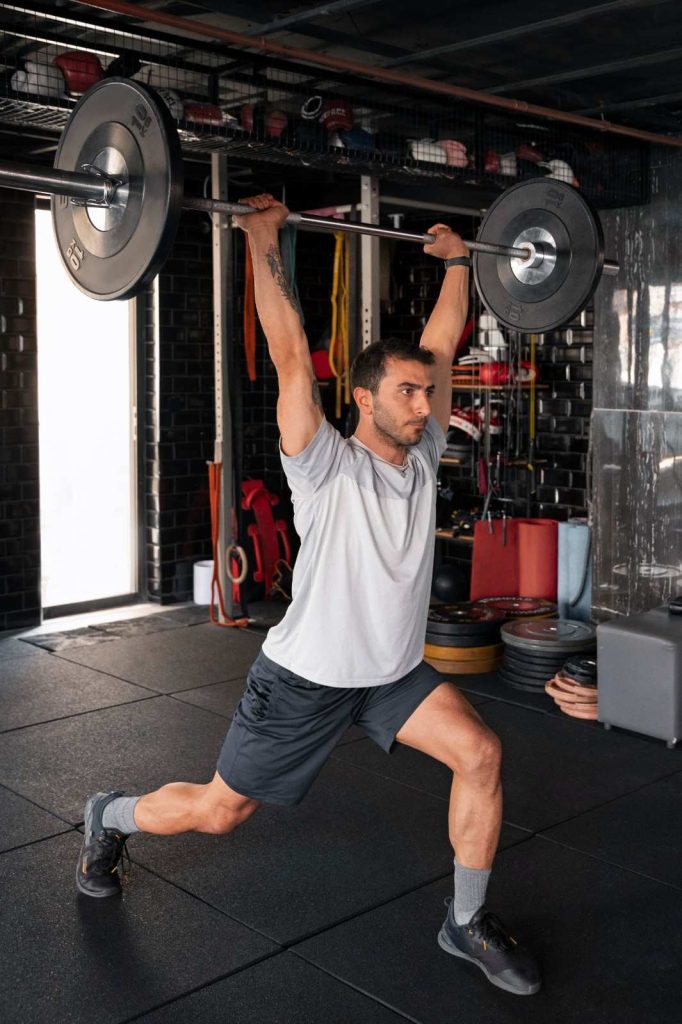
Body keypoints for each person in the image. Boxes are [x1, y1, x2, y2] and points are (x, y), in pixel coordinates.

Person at [76, 194, 540, 997]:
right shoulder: (324, 465)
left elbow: (437, 341)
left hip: (391, 673)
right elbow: (292, 355)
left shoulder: (422, 448)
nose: (428, 407)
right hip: (304, 680)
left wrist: (460, 262)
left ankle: (464, 922)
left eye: (428, 395)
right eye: (408, 395)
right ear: (363, 399)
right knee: (220, 814)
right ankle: (108, 816)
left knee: (483, 755)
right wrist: (263, 245)